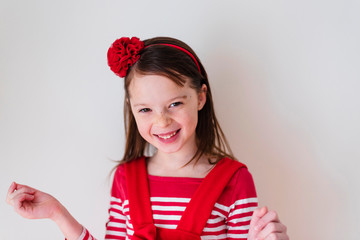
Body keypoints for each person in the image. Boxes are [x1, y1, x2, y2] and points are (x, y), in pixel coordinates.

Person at [6, 36, 289, 240]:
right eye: (145, 109)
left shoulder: (234, 181)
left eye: (175, 104)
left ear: (201, 97)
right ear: (132, 109)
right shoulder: (125, 179)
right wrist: (57, 213)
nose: (162, 121)